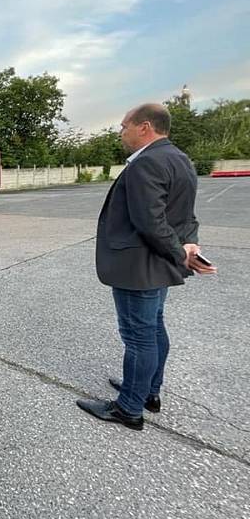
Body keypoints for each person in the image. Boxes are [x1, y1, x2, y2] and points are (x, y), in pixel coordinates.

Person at [76, 103, 217, 431]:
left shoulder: (147, 163)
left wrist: (180, 253)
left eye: (124, 125)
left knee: (138, 337)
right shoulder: (180, 159)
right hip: (157, 265)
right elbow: (187, 217)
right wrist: (187, 244)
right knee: (153, 329)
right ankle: (147, 392)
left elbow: (149, 221)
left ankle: (128, 409)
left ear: (145, 127)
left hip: (139, 265)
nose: (121, 132)